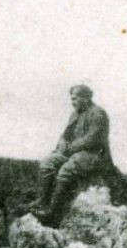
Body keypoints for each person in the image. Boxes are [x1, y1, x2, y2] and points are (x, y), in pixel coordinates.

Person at [33, 84, 118, 226]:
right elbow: (66, 135)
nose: (73, 102)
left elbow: (92, 139)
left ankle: (52, 213)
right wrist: (61, 145)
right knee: (47, 163)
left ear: (86, 98)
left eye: (75, 99)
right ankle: (42, 201)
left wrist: (71, 148)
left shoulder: (98, 114)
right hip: (75, 152)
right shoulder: (75, 115)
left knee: (66, 170)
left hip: (94, 155)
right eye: (72, 99)